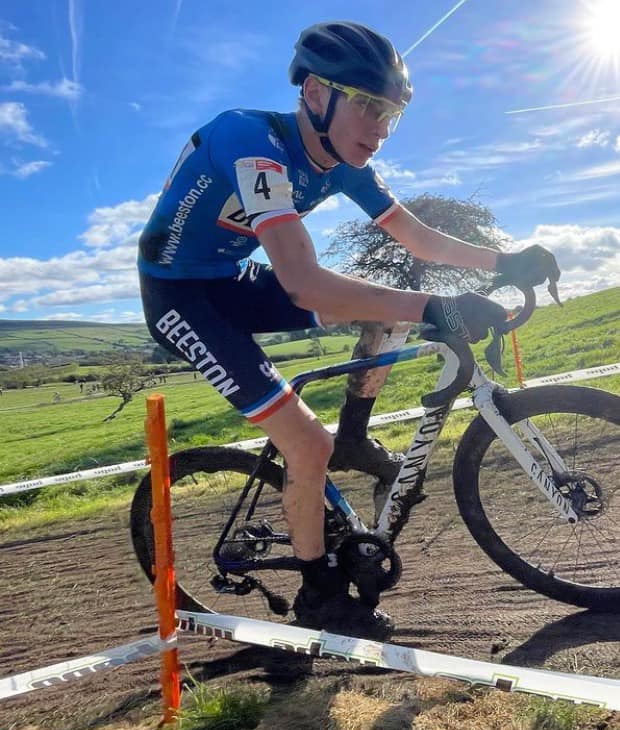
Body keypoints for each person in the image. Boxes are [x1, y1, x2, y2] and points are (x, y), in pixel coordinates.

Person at [138, 21, 560, 639]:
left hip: (233, 279)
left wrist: (505, 262)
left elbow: (417, 237)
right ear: (315, 93)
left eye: (391, 114)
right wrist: (434, 307)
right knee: (308, 444)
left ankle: (356, 438)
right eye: (368, 106)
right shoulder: (249, 141)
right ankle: (319, 595)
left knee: (386, 312)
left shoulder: (339, 161)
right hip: (180, 297)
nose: (381, 129)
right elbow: (304, 284)